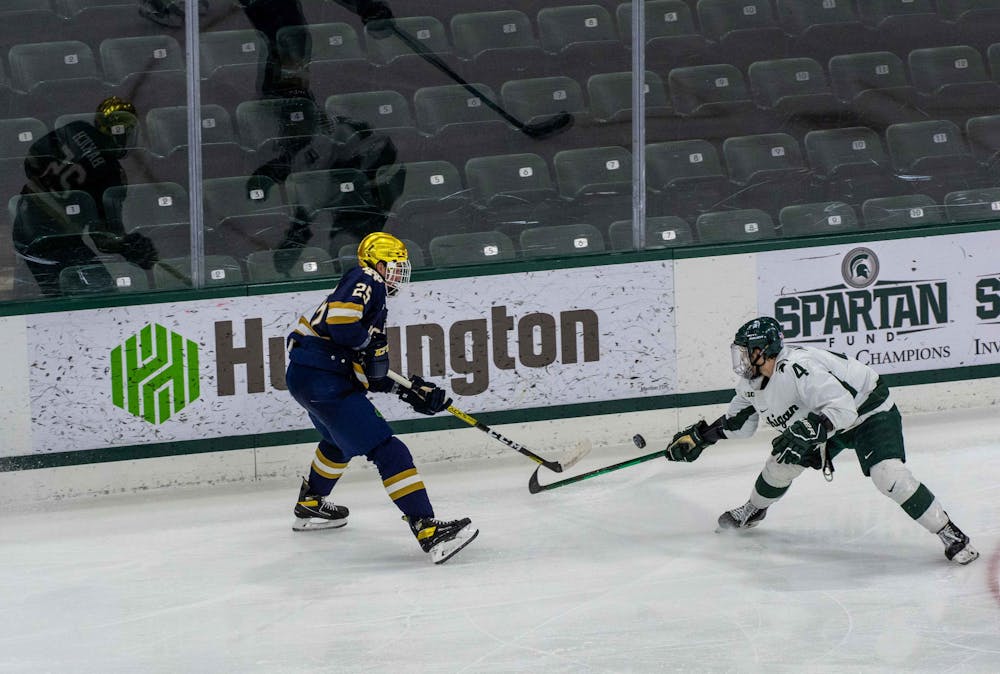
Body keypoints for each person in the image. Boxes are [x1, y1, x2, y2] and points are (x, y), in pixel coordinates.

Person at [664, 316, 979, 565]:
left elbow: (842, 408)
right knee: (778, 465)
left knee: (888, 475)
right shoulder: (750, 385)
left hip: (867, 413)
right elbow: (739, 424)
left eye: (747, 352)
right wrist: (701, 438)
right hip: (825, 423)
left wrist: (806, 430)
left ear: (763, 351)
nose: (742, 360)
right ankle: (753, 509)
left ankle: (948, 532)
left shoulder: (800, 369)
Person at [284, 231, 478, 564]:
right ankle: (427, 528)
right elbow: (342, 324)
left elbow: (369, 374)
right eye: (394, 265)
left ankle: (311, 503)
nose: (399, 272)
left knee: (338, 442)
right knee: (389, 451)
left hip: (311, 376)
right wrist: (370, 348)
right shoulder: (366, 278)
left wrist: (412, 392)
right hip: (321, 378)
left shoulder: (376, 307)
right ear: (377, 263)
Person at [12, 96, 158, 296]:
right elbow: (103, 239)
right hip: (56, 243)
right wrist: (127, 246)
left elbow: (31, 162)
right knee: (104, 293)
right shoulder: (112, 175)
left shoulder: (75, 128)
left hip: (23, 224)